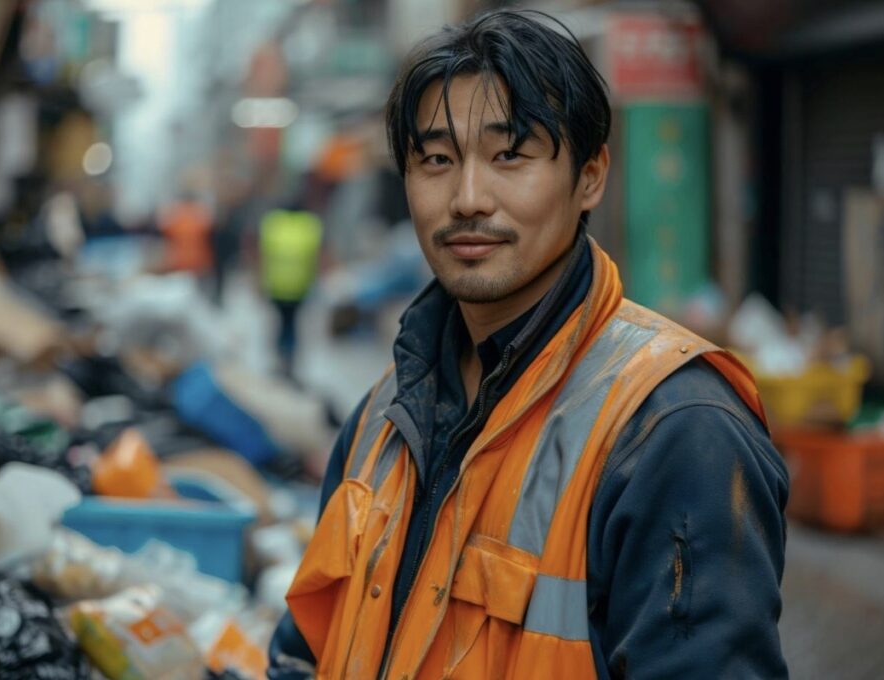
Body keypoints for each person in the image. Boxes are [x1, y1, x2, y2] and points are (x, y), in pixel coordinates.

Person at [269, 10, 788, 680]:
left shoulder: (676, 428)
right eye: (435, 159)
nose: (468, 198)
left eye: (509, 154)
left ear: (591, 177)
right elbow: (304, 648)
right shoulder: (382, 416)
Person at [259, 208, 324, 379]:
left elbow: (262, 255)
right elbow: (315, 258)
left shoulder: (273, 224)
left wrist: (259, 281)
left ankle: (281, 357)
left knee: (281, 324)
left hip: (277, 286)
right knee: (292, 324)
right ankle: (290, 360)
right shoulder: (309, 226)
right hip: (299, 288)